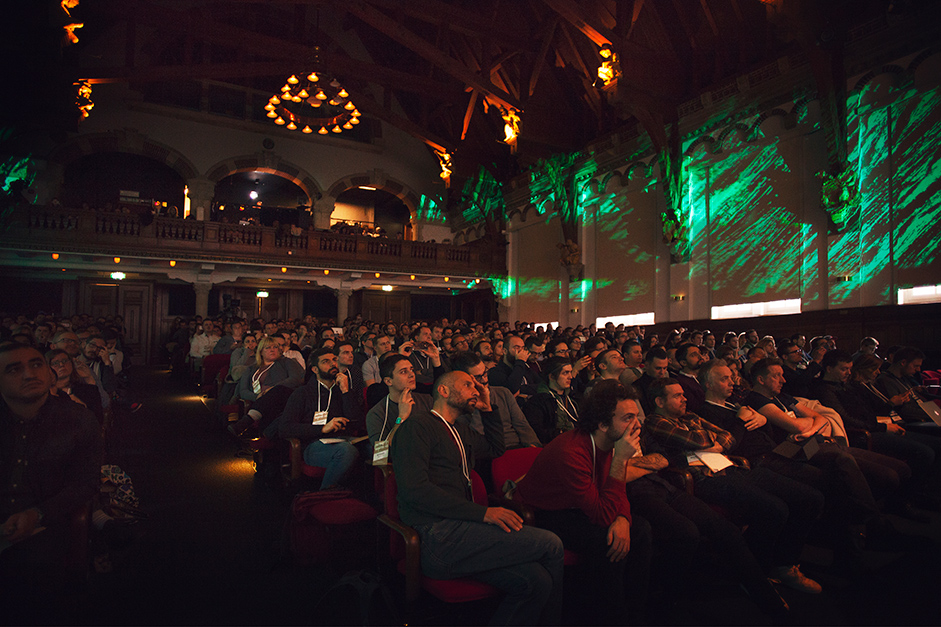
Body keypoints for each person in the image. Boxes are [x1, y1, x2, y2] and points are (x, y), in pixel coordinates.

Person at [390, 370, 564, 625]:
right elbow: (415, 490)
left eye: (477, 384)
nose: (477, 388)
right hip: (437, 537)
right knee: (551, 544)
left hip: (463, 530)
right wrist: (483, 513)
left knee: (536, 581)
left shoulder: (460, 430)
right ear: (444, 391)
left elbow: (496, 448)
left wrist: (488, 408)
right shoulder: (418, 426)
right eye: (468, 384)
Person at [644, 378, 824, 593]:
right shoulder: (655, 421)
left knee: (810, 498)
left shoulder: (691, 416)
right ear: (659, 401)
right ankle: (756, 572)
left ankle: (784, 563)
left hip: (731, 467)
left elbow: (728, 437)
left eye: (683, 394)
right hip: (705, 478)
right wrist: (713, 442)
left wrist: (715, 444)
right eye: (677, 396)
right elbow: (701, 441)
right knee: (775, 509)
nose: (684, 399)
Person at [516, 380, 653, 625]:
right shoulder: (572, 451)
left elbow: (613, 491)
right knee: (606, 538)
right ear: (602, 424)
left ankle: (636, 613)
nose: (637, 425)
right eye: (628, 418)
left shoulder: (611, 441)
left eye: (636, 417)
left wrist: (622, 518)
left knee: (640, 529)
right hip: (543, 513)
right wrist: (621, 460)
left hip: (579, 504)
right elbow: (601, 513)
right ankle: (610, 617)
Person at [0, 344, 101, 622]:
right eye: (14, 369)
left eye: (36, 365)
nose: (28, 374)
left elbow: (86, 481)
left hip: (45, 523)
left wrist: (38, 513)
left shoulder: (77, 420)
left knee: (31, 577)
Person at [264, 348, 363, 490]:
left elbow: (357, 422)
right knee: (346, 451)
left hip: (344, 439)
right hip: (314, 445)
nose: (333, 364)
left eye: (334, 360)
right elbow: (285, 428)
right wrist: (322, 428)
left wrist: (346, 392)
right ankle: (323, 496)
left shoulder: (343, 390)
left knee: (373, 449)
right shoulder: (302, 393)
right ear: (315, 369)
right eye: (326, 362)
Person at [451, 351, 540, 450]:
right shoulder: (460, 404)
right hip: (488, 453)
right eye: (478, 377)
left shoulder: (503, 393)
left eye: (485, 373)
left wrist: (534, 445)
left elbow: (522, 425)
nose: (484, 380)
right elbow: (475, 439)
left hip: (515, 446)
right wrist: (480, 406)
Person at [229, 336, 305, 436]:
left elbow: (295, 379)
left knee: (278, 390)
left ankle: (247, 422)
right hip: (259, 401)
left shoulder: (287, 362)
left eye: (275, 347)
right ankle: (263, 436)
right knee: (269, 408)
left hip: (284, 399)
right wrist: (257, 396)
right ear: (261, 351)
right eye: (268, 348)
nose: (272, 350)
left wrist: (271, 389)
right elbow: (243, 391)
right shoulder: (251, 369)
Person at [365, 353, 431, 446]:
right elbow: (381, 455)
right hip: (404, 458)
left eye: (411, 369)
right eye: (403, 372)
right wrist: (401, 417)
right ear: (388, 381)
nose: (411, 374)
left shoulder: (427, 400)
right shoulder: (377, 413)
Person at [523, 357, 579, 446]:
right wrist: (561, 433)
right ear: (552, 376)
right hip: (556, 445)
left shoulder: (574, 397)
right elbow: (538, 431)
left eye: (570, 372)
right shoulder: (537, 402)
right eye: (565, 373)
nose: (570, 377)